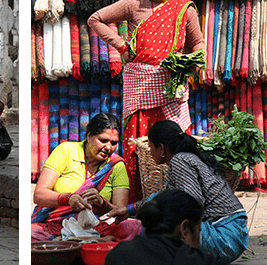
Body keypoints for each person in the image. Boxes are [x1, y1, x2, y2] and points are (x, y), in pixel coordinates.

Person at [88, 0, 205, 202]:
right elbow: (95, 19)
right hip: (140, 90)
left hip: (170, 92)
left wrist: (188, 66)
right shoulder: (133, 3)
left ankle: (178, 203)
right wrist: (122, 46)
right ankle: (135, 211)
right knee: (137, 151)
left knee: (176, 148)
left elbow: (198, 46)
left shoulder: (184, 8)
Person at [106, 120, 247, 264]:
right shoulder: (187, 158)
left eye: (150, 147)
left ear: (161, 148)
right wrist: (129, 210)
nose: (150, 151)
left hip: (225, 236)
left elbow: (190, 203)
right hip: (233, 233)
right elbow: (164, 196)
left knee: (163, 226)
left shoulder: (180, 160)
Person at [31, 113, 139, 242]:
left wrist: (103, 204)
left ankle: (73, 240)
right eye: (103, 140)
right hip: (56, 224)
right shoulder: (65, 151)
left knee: (133, 227)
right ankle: (84, 240)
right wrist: (68, 198)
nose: (108, 147)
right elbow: (39, 195)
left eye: (114, 143)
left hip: (95, 225)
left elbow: (119, 211)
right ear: (89, 136)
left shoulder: (116, 165)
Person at [106, 188, 215, 265]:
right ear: (184, 228)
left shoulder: (118, 254)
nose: (198, 241)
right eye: (198, 230)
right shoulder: (199, 260)